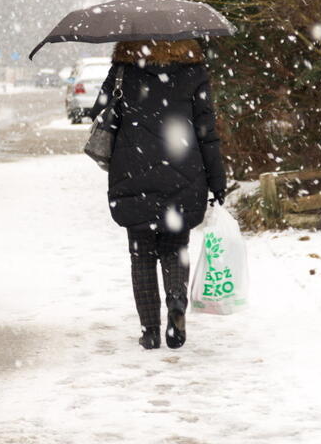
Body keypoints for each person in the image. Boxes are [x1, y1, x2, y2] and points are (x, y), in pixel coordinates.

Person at [90, 39, 227, 350]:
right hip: (184, 169)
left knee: (141, 255)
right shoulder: (194, 72)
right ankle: (176, 302)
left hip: (132, 169)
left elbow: (99, 112)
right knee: (175, 246)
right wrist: (217, 179)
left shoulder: (123, 70)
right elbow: (208, 132)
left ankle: (150, 330)